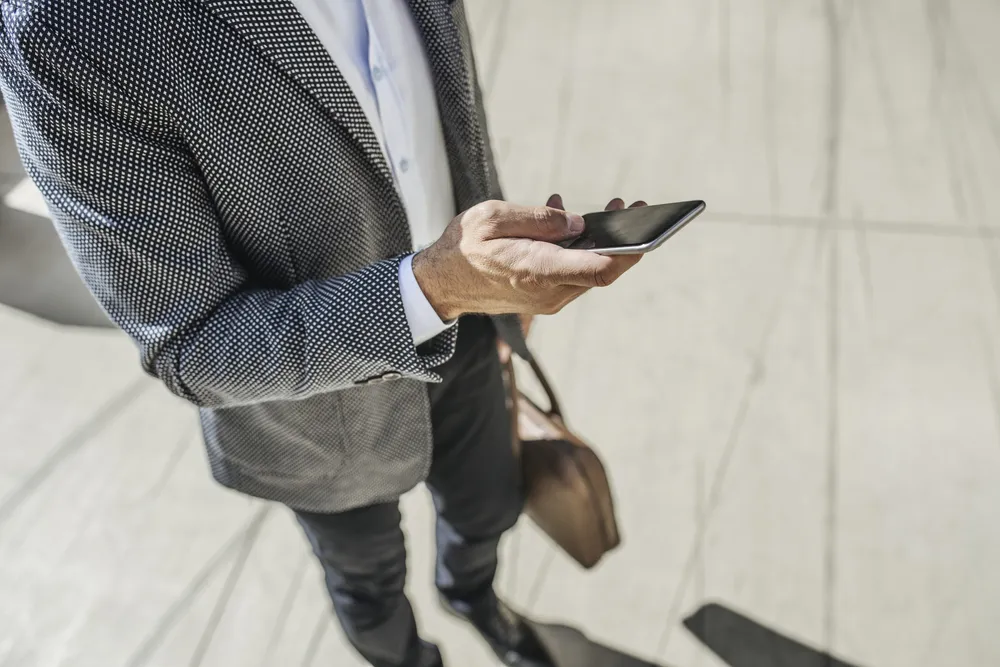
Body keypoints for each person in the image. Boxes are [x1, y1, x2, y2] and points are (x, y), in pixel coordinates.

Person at [0, 1, 643, 665]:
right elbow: (191, 343)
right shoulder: (69, 27)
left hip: (473, 332)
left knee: (489, 508)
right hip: (310, 417)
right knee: (369, 584)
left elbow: (450, 107)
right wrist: (431, 289)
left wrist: (500, 289)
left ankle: (475, 598)